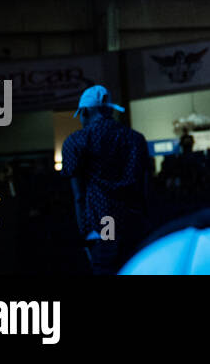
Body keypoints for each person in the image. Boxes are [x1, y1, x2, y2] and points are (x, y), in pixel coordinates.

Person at [61, 85, 151, 275]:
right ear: (109, 109)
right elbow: (145, 188)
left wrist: (84, 234)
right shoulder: (136, 139)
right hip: (134, 224)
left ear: (85, 111)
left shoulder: (76, 141)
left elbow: (78, 196)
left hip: (102, 226)